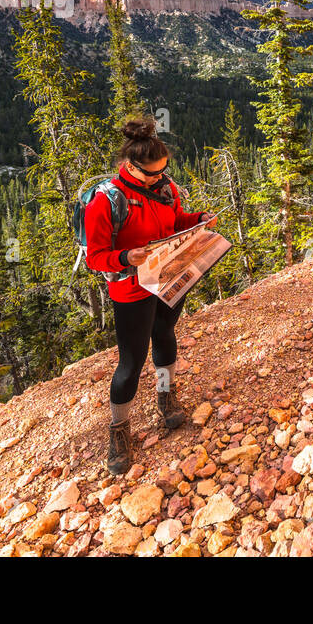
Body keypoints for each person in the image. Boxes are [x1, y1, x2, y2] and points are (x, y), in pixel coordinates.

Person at [84, 116, 218, 475]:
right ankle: (119, 430)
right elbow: (96, 258)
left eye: (163, 171)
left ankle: (165, 394)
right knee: (131, 361)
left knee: (165, 335)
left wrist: (197, 220)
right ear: (130, 167)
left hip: (169, 275)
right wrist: (127, 257)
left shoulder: (166, 188)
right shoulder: (105, 201)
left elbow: (174, 224)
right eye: (151, 174)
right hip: (131, 287)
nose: (159, 178)